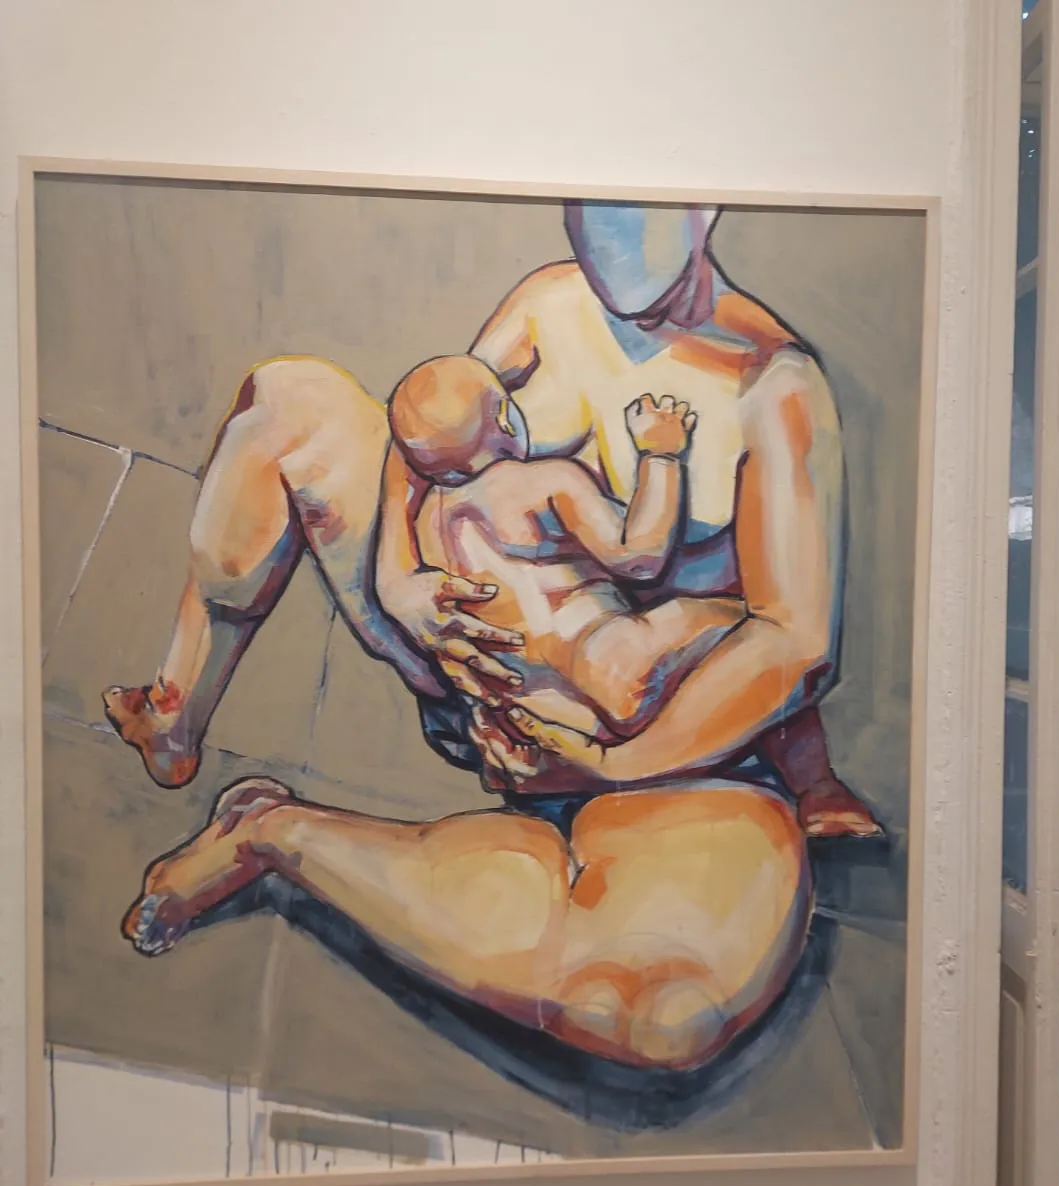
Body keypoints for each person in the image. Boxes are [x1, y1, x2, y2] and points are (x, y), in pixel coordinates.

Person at [111, 201, 874, 1073]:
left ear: (706, 207)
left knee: (659, 1011)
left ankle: (276, 835)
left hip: (658, 751)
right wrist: (400, 579)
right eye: (592, 208)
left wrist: (607, 763)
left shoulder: (774, 384)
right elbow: (421, 442)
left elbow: (791, 645)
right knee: (287, 402)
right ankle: (176, 716)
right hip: (477, 676)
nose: (611, 238)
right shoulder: (548, 303)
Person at [383, 352, 878, 829]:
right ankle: (816, 785)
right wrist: (660, 455)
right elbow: (641, 556)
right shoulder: (546, 481)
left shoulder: (428, 525)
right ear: (506, 420)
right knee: (755, 635)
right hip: (613, 660)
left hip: (544, 706)